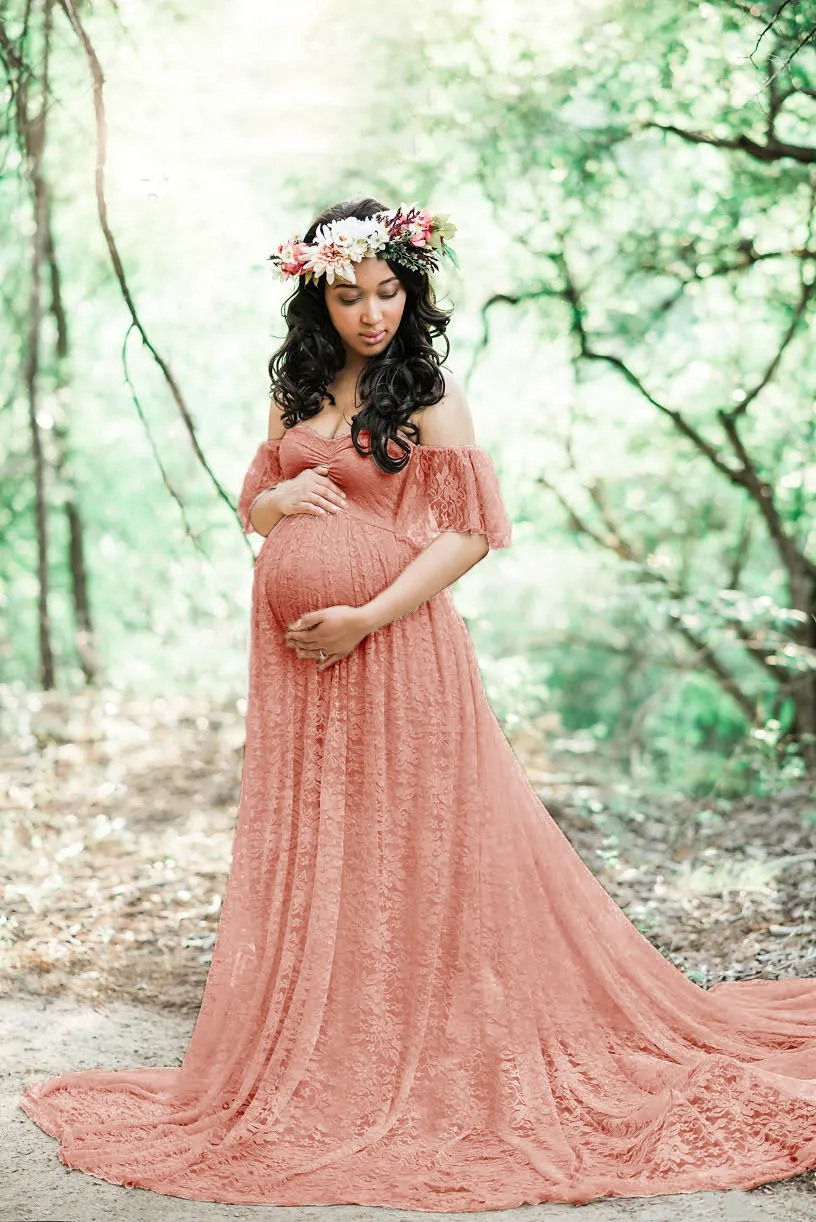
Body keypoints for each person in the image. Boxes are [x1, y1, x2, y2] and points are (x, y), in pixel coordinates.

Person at [19, 198, 816, 1210]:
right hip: (300, 674)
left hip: (398, 651)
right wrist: (279, 507)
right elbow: (252, 510)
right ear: (317, 295)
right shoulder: (297, 387)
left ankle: (431, 1041)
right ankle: (339, 1033)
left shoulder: (426, 388)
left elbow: (470, 532)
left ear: (412, 288)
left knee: (417, 843)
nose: (371, 313)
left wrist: (364, 614)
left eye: (388, 292)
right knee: (334, 844)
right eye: (349, 295)